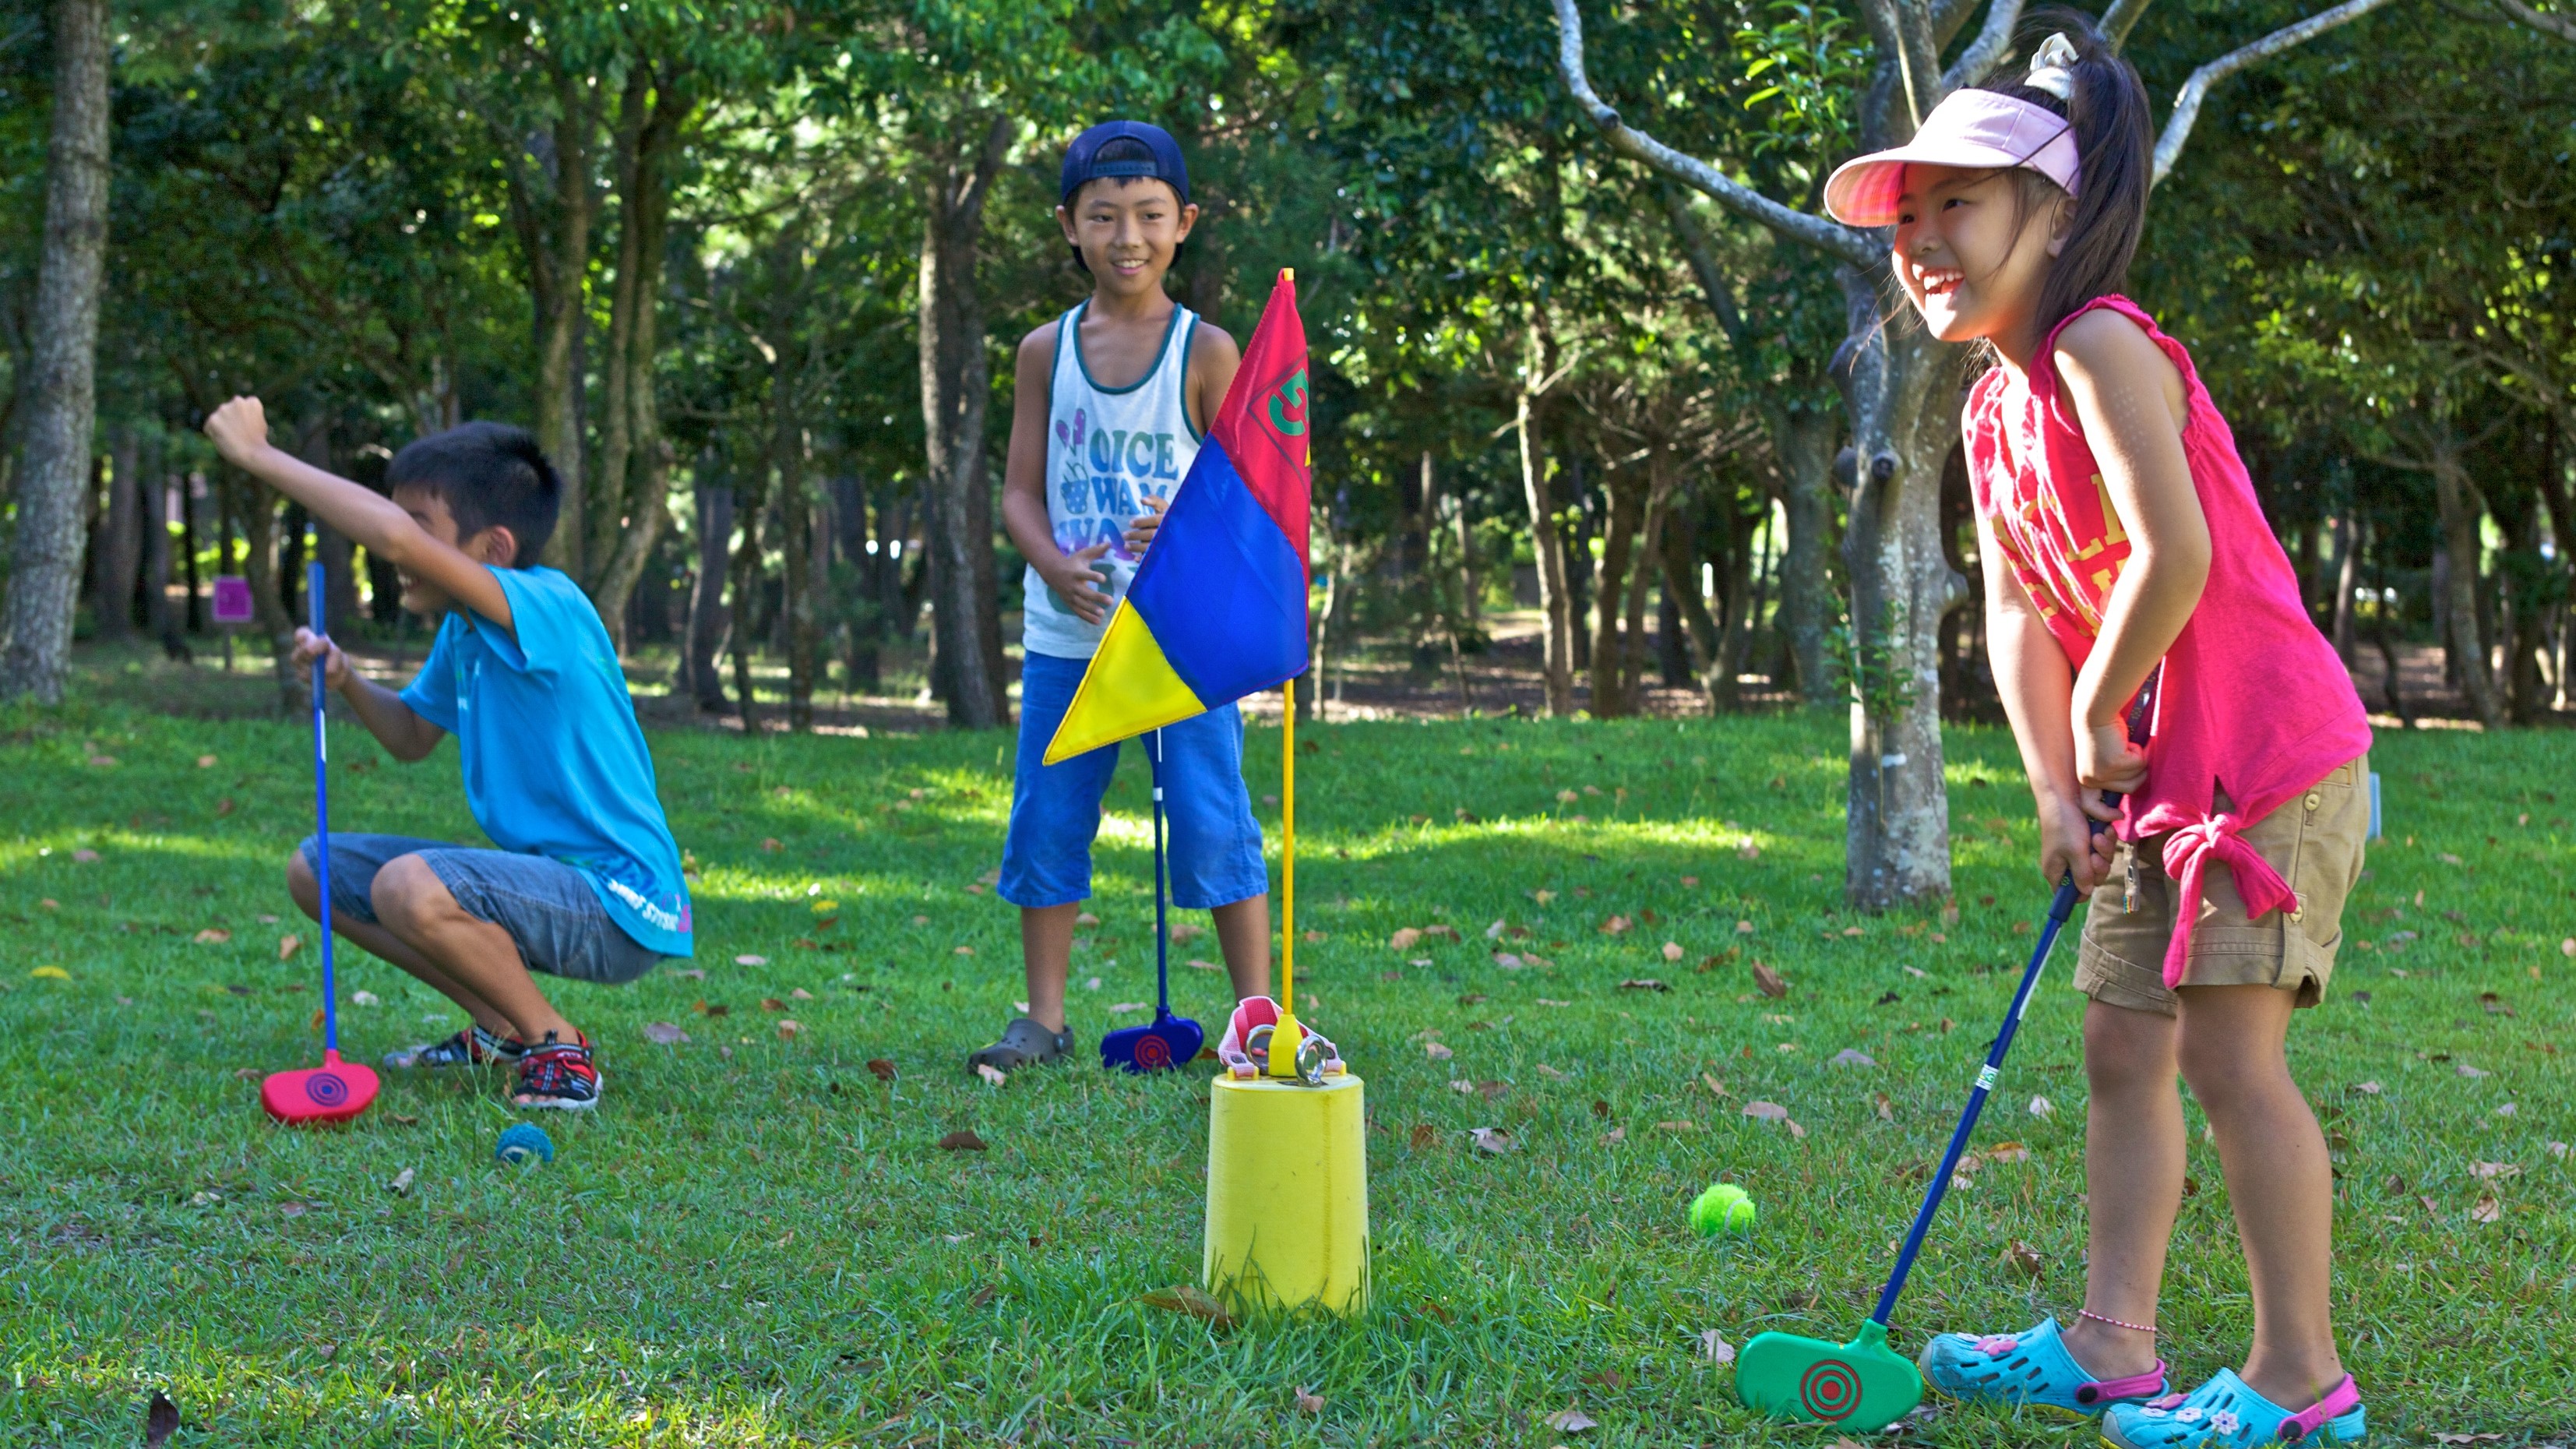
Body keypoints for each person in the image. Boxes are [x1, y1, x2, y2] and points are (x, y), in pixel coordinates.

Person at [1820, 20, 2373, 1449]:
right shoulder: (1997, 403)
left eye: (1962, 201)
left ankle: (2301, 1379)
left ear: (2052, 214)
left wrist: (2089, 709)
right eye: (1911, 211)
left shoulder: (2099, 344)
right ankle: (2109, 1343)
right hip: (2148, 777)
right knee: (2122, 1051)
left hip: (2260, 761)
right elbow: (2016, 606)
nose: (1925, 235)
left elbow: (2168, 554)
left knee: (2228, 1060)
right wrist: (2054, 781)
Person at [204, 400, 692, 1111]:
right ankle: (499, 1028)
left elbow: (395, 544)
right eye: (399, 520)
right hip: (550, 885)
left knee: (409, 885)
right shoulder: (464, 633)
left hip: (619, 902)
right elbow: (408, 736)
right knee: (316, 870)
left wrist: (260, 457)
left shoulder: (549, 605)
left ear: (492, 548)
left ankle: (558, 1045)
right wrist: (344, 679)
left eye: (419, 525)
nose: (393, 545)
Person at [976, 119, 1270, 1072]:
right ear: (1068, 225)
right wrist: (1053, 562)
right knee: (1048, 817)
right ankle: (1044, 1019)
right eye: (1103, 217)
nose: (1127, 237)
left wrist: (1185, 531)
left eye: (1148, 215)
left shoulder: (1206, 350)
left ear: (1184, 223)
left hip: (1178, 641)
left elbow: (1246, 501)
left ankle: (1252, 1017)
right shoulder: (1042, 351)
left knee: (1211, 815)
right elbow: (1018, 491)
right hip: (1069, 635)